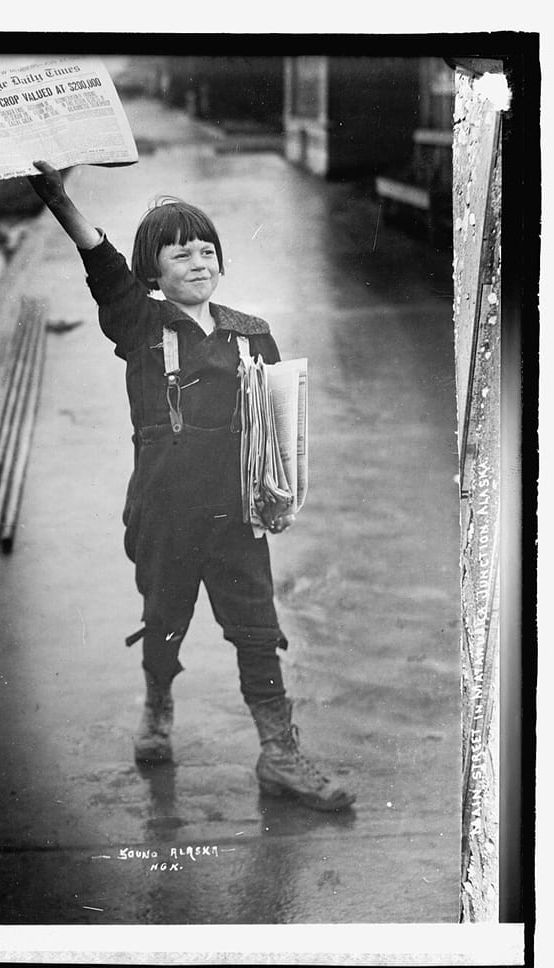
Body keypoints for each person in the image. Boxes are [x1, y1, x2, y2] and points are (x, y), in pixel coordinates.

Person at [28, 161, 356, 811]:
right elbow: (104, 267)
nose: (199, 260)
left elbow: (278, 430)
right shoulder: (141, 324)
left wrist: (279, 494)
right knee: (164, 619)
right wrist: (63, 205)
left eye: (208, 249)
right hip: (165, 512)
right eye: (181, 252)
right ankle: (157, 707)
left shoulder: (252, 333)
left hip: (236, 517)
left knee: (258, 630)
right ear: (154, 271)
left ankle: (279, 754)